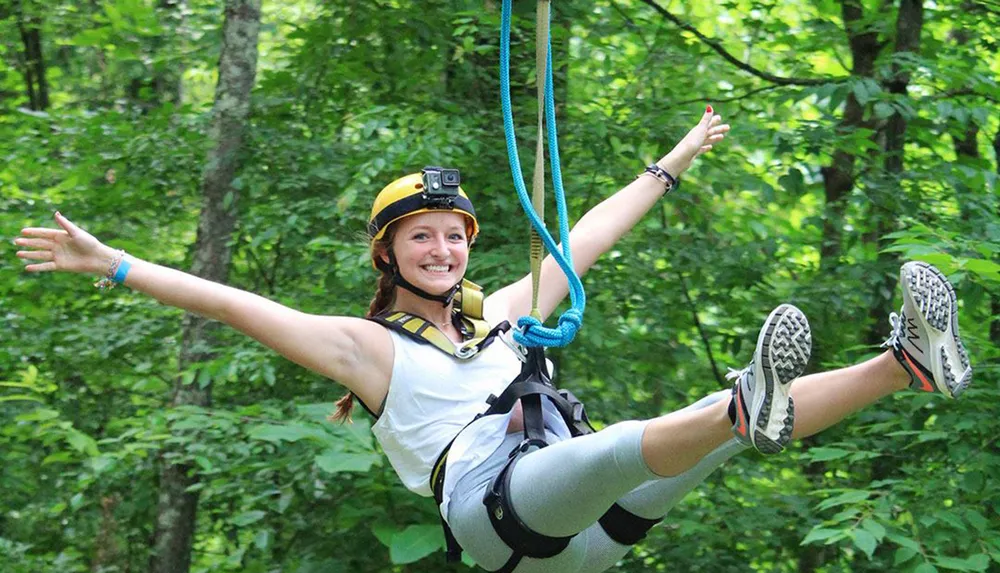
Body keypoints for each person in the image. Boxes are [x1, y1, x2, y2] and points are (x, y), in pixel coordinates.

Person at [14, 106, 972, 573]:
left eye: (455, 235)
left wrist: (669, 166)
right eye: (421, 236)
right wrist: (117, 265)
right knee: (651, 429)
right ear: (389, 253)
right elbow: (233, 304)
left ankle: (906, 364)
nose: (442, 247)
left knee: (706, 431)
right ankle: (739, 403)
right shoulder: (366, 348)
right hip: (496, 512)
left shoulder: (502, 310)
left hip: (589, 518)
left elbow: (589, 232)